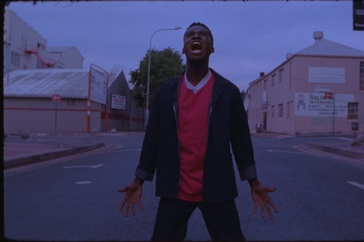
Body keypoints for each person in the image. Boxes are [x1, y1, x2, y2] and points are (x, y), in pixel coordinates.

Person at [117, 22, 278, 241]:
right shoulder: (166, 92)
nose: (196, 37)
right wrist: (139, 180)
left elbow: (241, 143)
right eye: (190, 35)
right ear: (184, 48)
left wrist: (254, 183)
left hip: (217, 190)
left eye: (203, 35)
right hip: (174, 191)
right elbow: (152, 142)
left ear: (212, 48)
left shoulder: (228, 92)